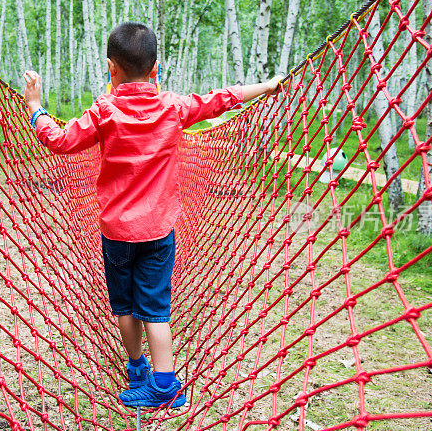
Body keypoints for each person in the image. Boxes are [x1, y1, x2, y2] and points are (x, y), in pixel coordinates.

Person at [23, 22, 281, 408]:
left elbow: (60, 140)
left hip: (116, 231)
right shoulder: (172, 108)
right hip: (159, 231)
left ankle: (149, 375)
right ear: (156, 68)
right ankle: (157, 377)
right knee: (156, 308)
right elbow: (222, 98)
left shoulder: (104, 111)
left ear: (112, 69)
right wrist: (267, 86)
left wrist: (35, 107)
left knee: (124, 306)